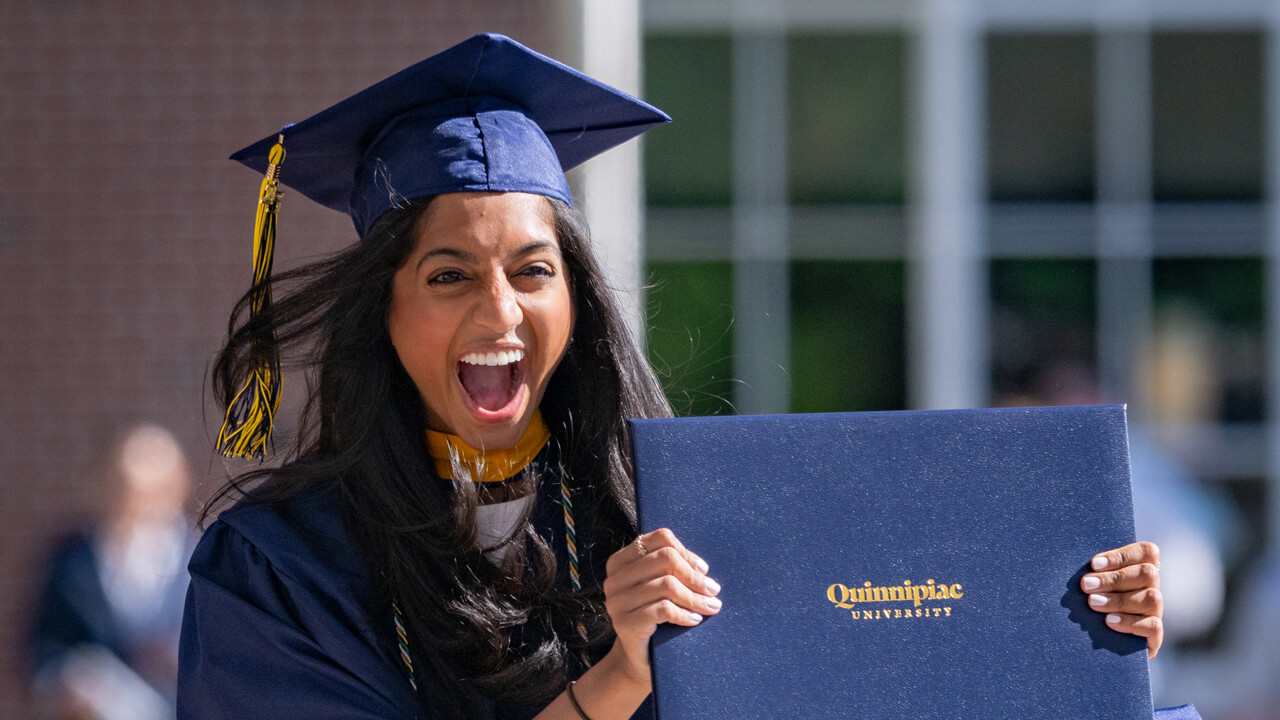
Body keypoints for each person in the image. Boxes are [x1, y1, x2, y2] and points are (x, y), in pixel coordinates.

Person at [177, 33, 1164, 720]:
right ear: (381, 310)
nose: (499, 312)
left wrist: (1069, 636)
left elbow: (880, 677)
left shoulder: (661, 519)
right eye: (447, 276)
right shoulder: (281, 569)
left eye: (532, 271)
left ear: (578, 301)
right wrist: (618, 679)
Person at [32, 423, 194, 720]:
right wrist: (66, 680)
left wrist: (179, 658)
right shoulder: (74, 561)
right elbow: (44, 647)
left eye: (150, 493)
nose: (134, 506)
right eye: (123, 490)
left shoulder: (203, 558)